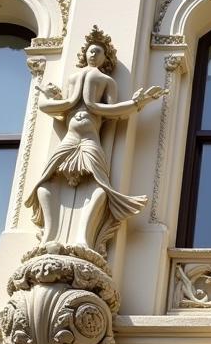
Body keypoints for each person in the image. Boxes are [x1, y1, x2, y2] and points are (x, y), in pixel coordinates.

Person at [26, 26, 162, 253]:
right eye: (91, 50)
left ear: (104, 58)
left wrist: (138, 103)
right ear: (85, 54)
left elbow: (113, 110)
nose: (93, 54)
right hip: (70, 137)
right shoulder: (72, 77)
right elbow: (48, 107)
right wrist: (57, 100)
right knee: (44, 183)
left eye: (98, 52)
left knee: (101, 185)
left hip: (90, 138)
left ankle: (83, 239)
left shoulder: (107, 81)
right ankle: (48, 236)